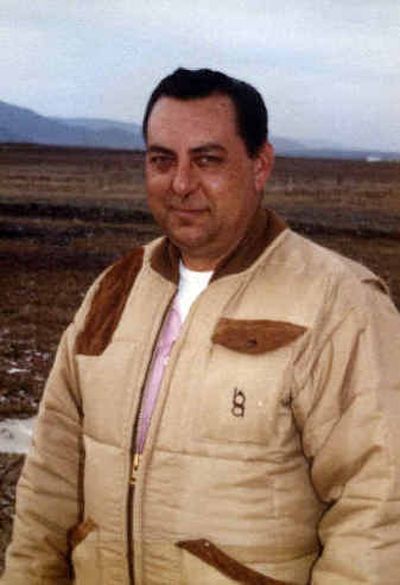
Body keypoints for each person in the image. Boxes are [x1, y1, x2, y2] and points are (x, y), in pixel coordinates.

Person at [2, 68, 400, 585]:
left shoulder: (339, 304)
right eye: (161, 160)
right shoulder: (114, 290)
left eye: (208, 160)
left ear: (260, 166)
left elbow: (379, 512)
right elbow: (49, 484)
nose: (182, 184)